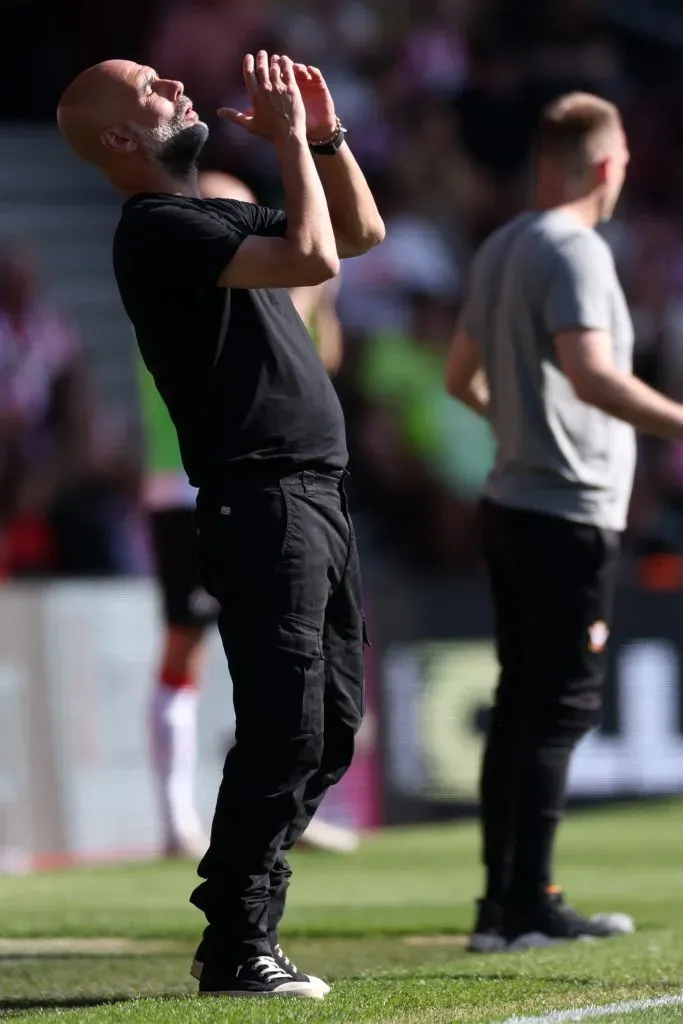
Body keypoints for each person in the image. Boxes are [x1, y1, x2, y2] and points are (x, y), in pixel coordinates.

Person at [57, 52, 383, 998]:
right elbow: (316, 259)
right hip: (261, 496)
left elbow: (357, 232)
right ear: (121, 138)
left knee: (330, 730)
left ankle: (244, 920)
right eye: (152, 89)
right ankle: (238, 938)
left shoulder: (203, 212)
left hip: (315, 492)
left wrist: (324, 138)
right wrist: (286, 143)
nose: (175, 88)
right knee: (284, 727)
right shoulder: (154, 227)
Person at [445, 92, 683, 952]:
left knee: (520, 707)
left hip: (511, 500)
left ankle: (498, 906)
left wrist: (516, 431)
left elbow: (458, 378)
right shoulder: (576, 249)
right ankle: (527, 904)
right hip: (565, 508)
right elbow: (590, 375)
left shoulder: (503, 244)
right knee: (554, 710)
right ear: (609, 164)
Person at [140, 166, 356, 858]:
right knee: (190, 642)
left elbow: (315, 357)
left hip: (264, 479)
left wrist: (320, 299)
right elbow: (263, 336)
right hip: (188, 484)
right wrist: (308, 281)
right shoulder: (179, 261)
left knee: (282, 656)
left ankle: (281, 805)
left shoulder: (272, 282)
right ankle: (175, 814)